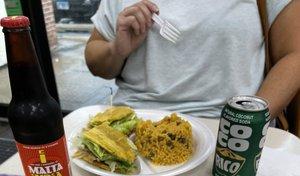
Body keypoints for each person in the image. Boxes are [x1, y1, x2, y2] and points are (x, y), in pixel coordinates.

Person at [85, 0, 300, 120]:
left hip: (229, 128)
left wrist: (249, 123)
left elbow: (294, 55)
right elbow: (96, 63)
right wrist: (116, 49)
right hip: (133, 122)